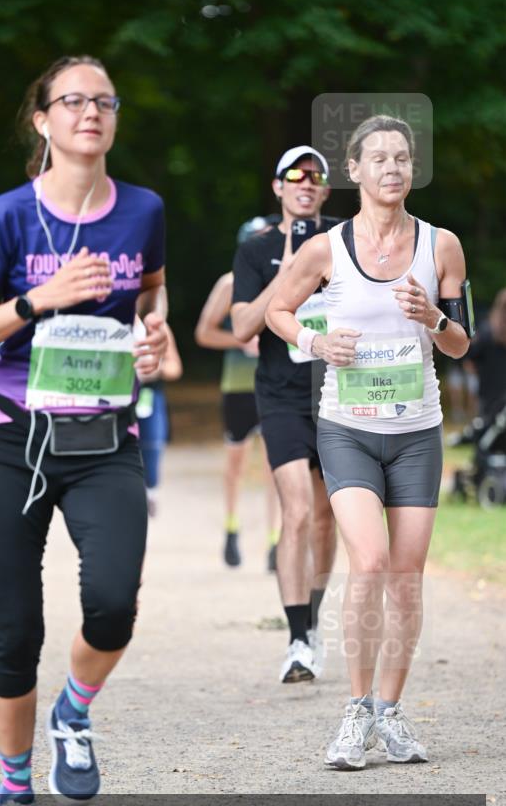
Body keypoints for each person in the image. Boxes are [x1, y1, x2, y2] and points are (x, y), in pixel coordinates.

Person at [0, 55, 168, 806]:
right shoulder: (7, 216)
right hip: (11, 440)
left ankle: (73, 712)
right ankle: (13, 785)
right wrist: (38, 298)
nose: (90, 112)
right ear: (42, 120)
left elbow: (150, 297)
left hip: (106, 438)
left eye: (104, 101)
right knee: (17, 630)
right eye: (72, 101)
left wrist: (153, 340)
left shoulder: (142, 210)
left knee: (113, 604)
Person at [266, 115, 471, 768]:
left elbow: (460, 343)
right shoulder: (324, 249)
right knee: (371, 563)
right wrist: (314, 341)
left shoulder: (440, 246)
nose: (391, 168)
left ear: (412, 170)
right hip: (348, 429)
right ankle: (354, 713)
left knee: (407, 578)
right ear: (352, 171)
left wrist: (434, 318)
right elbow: (276, 310)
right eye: (377, 158)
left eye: (401, 158)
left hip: (417, 434)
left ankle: (389, 709)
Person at [231, 148, 339, 682]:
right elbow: (242, 327)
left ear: (324, 191)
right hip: (281, 396)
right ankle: (297, 641)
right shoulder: (256, 250)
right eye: (294, 174)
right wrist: (291, 273)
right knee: (295, 510)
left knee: (325, 516)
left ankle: (312, 620)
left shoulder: (346, 239)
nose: (305, 182)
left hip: (341, 395)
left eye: (315, 176)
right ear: (277, 188)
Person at [195, 217, 280, 571]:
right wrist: (239, 339)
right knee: (236, 464)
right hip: (239, 385)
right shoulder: (230, 284)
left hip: (276, 384)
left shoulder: (284, 280)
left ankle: (275, 540)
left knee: (276, 467)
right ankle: (232, 528)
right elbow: (204, 333)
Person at [136, 324, 183, 516]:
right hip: (115, 397)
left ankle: (150, 492)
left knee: (153, 444)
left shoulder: (155, 326)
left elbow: (175, 367)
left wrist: (156, 368)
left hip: (148, 394)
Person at [464, 288, 506, 421]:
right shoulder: (486, 334)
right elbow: (469, 361)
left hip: (489, 396)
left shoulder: (485, 331)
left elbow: (468, 361)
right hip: (491, 397)